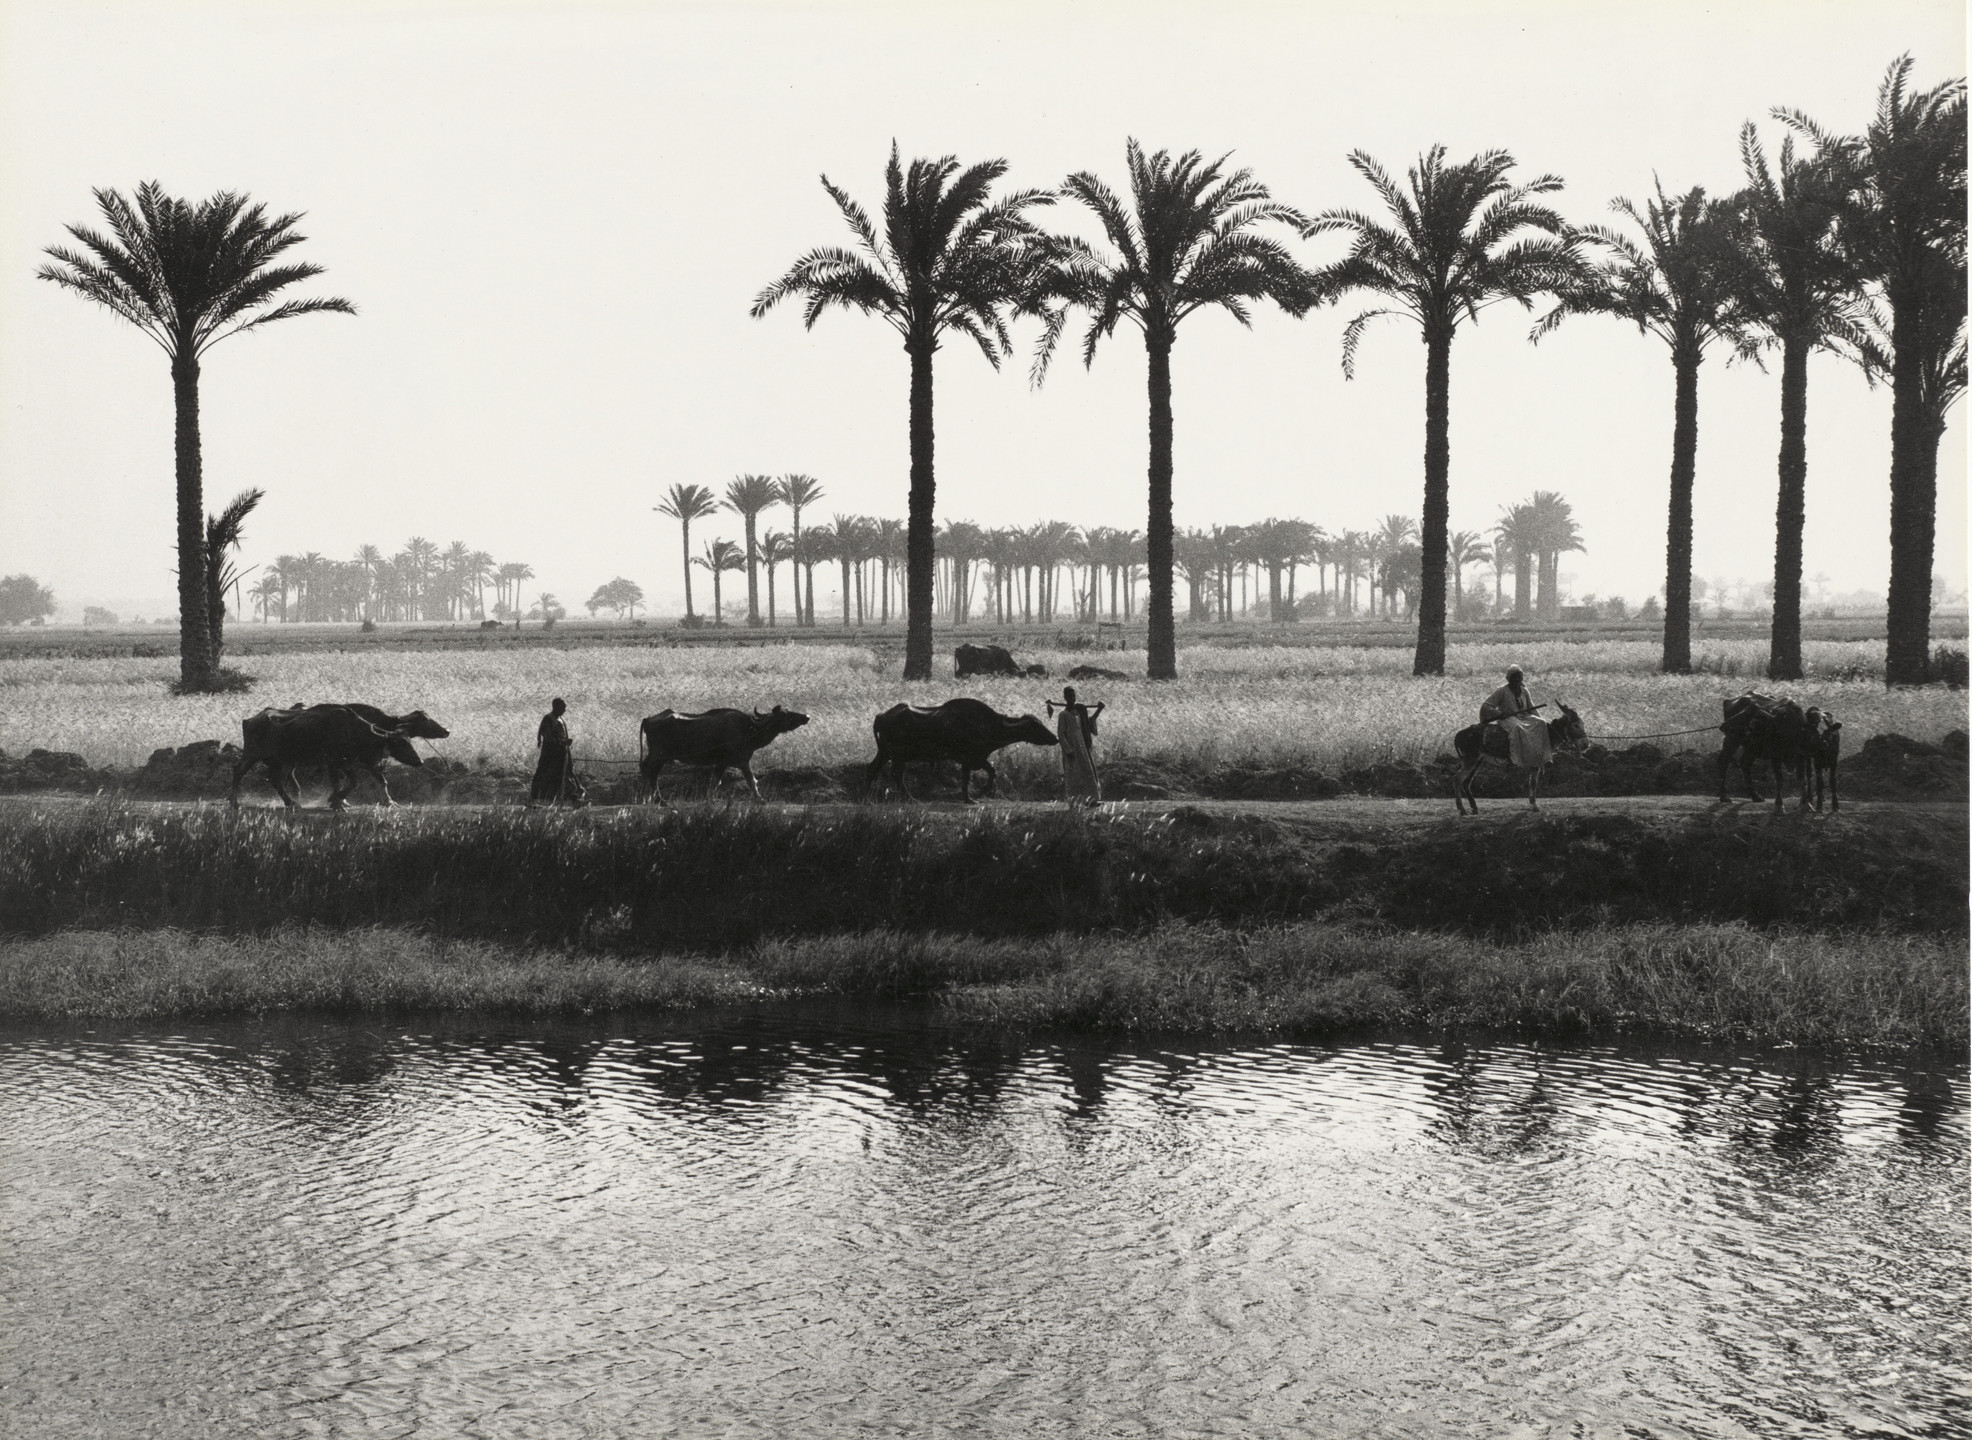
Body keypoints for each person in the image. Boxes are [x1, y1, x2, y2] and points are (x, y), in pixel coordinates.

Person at [1046, 685, 1105, 805]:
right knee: (1073, 776)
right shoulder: (1063, 715)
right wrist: (1068, 750)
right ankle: (1074, 801)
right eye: (1069, 696)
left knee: (1088, 773)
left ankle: (1092, 800)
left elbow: (1089, 724)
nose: (1072, 698)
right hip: (1072, 749)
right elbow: (1061, 734)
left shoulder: (1079, 712)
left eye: (1073, 696)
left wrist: (1099, 710)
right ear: (1065, 698)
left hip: (1082, 747)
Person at [530, 697, 574, 805]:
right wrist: (562, 743)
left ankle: (568, 799)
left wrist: (565, 743)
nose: (565, 710)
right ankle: (538, 800)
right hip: (550, 755)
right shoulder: (548, 719)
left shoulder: (561, 719)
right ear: (556, 707)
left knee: (564, 776)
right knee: (545, 776)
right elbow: (548, 737)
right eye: (563, 707)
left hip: (562, 754)